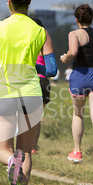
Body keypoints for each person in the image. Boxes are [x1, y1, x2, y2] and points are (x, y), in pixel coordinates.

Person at [0, 0, 57, 185]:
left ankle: (11, 162)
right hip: (31, 93)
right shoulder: (41, 31)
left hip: (4, 92)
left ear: (8, 3)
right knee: (26, 150)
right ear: (29, 1)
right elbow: (51, 70)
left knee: (4, 150)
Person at [60, 4, 93, 165]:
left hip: (80, 76)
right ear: (92, 18)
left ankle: (77, 151)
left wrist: (65, 58)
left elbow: (73, 52)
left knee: (78, 114)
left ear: (76, 19)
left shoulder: (74, 34)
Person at [31, 18, 51, 155]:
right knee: (37, 118)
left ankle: (23, 144)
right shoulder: (45, 42)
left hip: (30, 81)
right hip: (44, 82)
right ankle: (33, 146)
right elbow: (51, 68)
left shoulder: (27, 43)